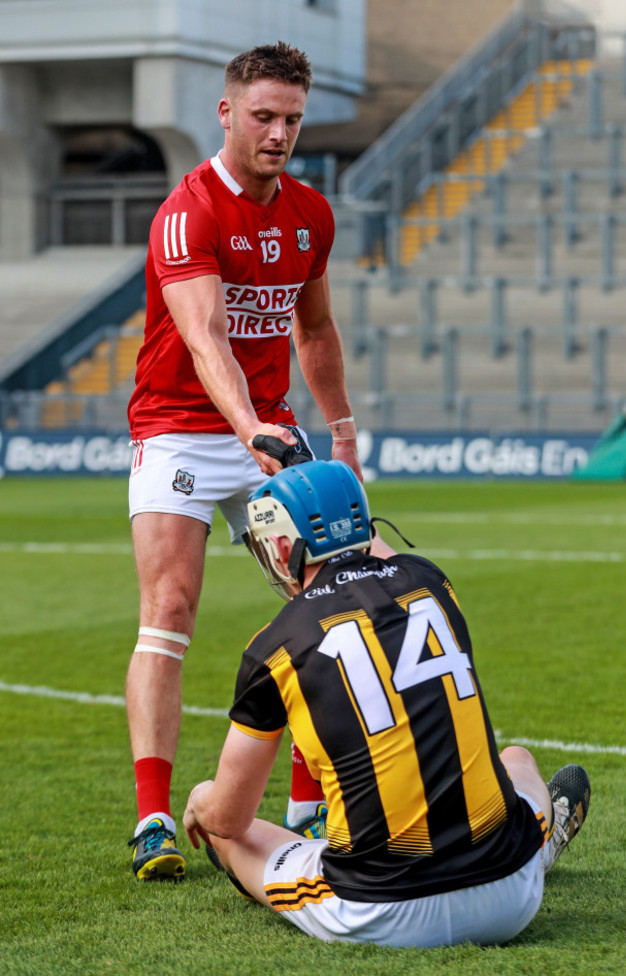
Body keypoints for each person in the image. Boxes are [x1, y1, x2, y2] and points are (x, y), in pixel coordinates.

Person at [182, 460, 591, 948]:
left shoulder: (275, 646)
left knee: (223, 829)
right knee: (517, 760)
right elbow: (382, 563)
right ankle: (539, 850)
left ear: (283, 546)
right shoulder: (432, 583)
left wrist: (200, 805)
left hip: (381, 909)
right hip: (508, 898)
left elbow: (229, 817)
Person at [126, 41, 362, 881]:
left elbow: (317, 332)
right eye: (263, 116)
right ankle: (155, 817)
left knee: (331, 595)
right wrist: (249, 428)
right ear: (225, 112)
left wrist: (339, 430)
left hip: (270, 427)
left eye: (292, 119)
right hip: (182, 428)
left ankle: (307, 802)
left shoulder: (309, 213)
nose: (279, 133)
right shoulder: (188, 212)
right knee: (172, 606)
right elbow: (205, 336)